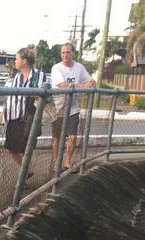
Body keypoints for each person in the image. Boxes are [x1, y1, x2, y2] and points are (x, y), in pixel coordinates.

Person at [0, 45, 47, 167]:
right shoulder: (17, 77)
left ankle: (24, 177)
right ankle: (26, 171)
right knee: (11, 149)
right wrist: (3, 112)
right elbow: (11, 97)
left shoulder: (38, 76)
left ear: (24, 61)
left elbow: (44, 95)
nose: (15, 61)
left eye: (17, 58)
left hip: (29, 117)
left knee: (26, 148)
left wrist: (31, 94)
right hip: (15, 116)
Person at [50, 42, 96, 171]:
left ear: (73, 53)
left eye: (67, 52)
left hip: (73, 108)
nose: (65, 55)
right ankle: (56, 161)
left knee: (72, 136)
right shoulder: (56, 68)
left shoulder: (79, 67)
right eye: (63, 52)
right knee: (57, 139)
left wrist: (91, 82)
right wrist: (82, 86)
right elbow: (62, 85)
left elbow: (90, 81)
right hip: (59, 109)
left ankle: (67, 162)